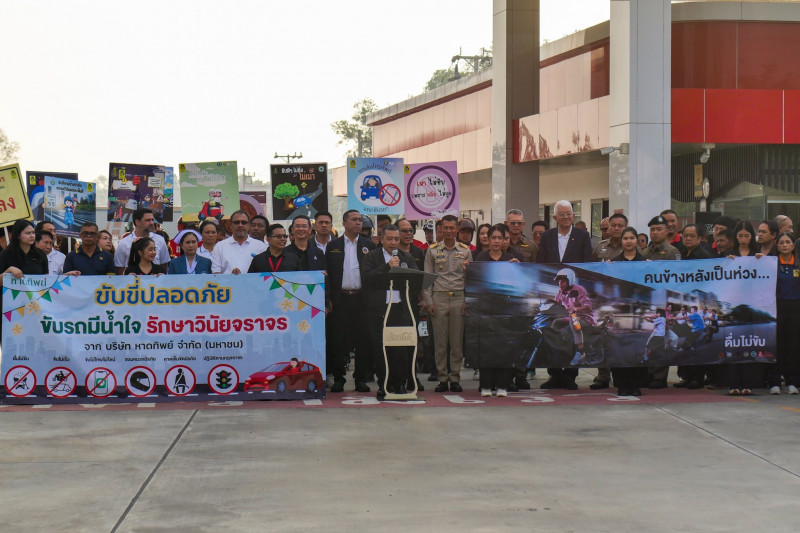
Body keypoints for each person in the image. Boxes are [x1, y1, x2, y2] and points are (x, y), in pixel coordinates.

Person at [536, 199, 592, 390]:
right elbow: (541, 262)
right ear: (555, 217)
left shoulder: (582, 236)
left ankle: (570, 375)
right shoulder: (547, 236)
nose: (566, 217)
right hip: (554, 288)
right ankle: (554, 374)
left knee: (573, 328)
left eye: (569, 213)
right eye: (562, 214)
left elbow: (587, 263)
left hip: (576, 310)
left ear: (573, 216)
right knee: (549, 327)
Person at [361, 224, 418, 398]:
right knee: (381, 349)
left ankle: (400, 383)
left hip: (400, 309)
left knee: (400, 349)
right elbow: (367, 279)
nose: (393, 243)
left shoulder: (406, 257)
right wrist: (387, 266)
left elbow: (415, 279)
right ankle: (384, 384)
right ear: (381, 239)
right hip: (378, 310)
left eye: (396, 239)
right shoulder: (372, 257)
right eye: (389, 239)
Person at [325, 210, 376, 393]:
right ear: (344, 223)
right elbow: (328, 274)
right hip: (341, 299)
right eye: (354, 220)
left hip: (362, 299)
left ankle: (360, 379)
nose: (358, 223)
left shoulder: (368, 245)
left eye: (359, 220)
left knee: (363, 340)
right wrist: (328, 299)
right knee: (338, 340)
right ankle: (339, 378)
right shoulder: (333, 246)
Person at [423, 214, 470, 393]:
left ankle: (455, 378)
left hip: (459, 298)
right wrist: (429, 301)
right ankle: (442, 378)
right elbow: (427, 279)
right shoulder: (432, 250)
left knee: (456, 343)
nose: (449, 231)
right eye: (445, 228)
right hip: (439, 298)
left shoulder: (465, 251)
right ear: (440, 230)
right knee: (440, 342)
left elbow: (470, 278)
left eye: (452, 228)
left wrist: (467, 300)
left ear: (457, 229)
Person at [473, 224, 519, 397]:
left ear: (505, 240)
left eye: (500, 238)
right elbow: (476, 280)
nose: (497, 241)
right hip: (485, 309)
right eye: (494, 238)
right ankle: (486, 385)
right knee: (487, 347)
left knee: (504, 348)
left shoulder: (510, 259)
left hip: (505, 310)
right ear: (489, 239)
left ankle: (502, 386)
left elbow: (516, 284)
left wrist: (518, 268)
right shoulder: (481, 257)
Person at [641, 215, 681, 389]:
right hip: (648, 298)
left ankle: (659, 375)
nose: (655, 233)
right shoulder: (644, 252)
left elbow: (678, 276)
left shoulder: (672, 252)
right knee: (650, 339)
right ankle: (647, 373)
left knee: (662, 339)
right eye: (652, 230)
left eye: (659, 229)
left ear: (666, 231)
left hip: (664, 301)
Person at [590, 213, 628, 389]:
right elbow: (591, 271)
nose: (616, 229)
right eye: (614, 225)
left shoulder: (630, 245)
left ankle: (621, 375)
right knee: (602, 338)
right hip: (602, 300)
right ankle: (603, 376)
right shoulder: (599, 248)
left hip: (622, 299)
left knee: (620, 339)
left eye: (621, 226)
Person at [610, 227, 648, 396]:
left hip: (638, 310)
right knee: (619, 347)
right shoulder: (614, 262)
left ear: (637, 240)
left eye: (632, 238)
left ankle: (635, 384)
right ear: (621, 241)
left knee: (637, 346)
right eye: (625, 238)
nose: (629, 241)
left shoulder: (645, 262)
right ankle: (621, 384)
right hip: (620, 310)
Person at [767, 232, 800, 395]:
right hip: (776, 308)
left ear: (793, 245)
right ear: (777, 245)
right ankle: (774, 382)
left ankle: (792, 382)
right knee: (776, 345)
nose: (785, 245)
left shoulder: (798, 264)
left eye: (788, 242)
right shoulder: (770, 264)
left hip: (795, 309)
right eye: (782, 242)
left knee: (793, 346)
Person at [114, 208, 171, 274]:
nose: (152, 223)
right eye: (148, 220)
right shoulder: (124, 243)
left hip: (155, 279)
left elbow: (164, 265)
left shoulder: (160, 240)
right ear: (137, 222)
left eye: (152, 220)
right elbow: (120, 269)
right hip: (132, 279)